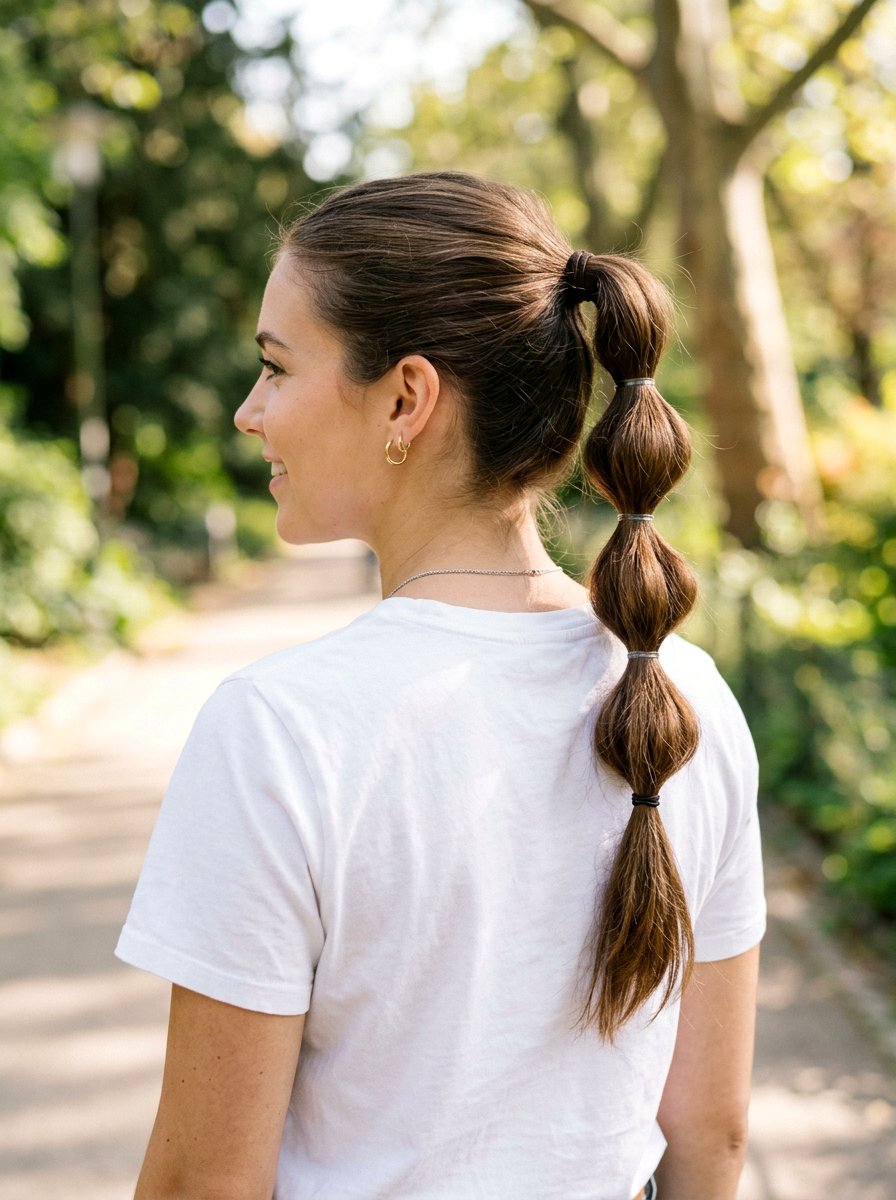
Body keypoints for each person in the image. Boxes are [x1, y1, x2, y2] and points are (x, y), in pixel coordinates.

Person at [115, 171, 766, 1200]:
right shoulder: (689, 697)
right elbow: (710, 1132)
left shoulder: (280, 728)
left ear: (405, 399)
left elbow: (205, 1180)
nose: (249, 412)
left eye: (276, 367)